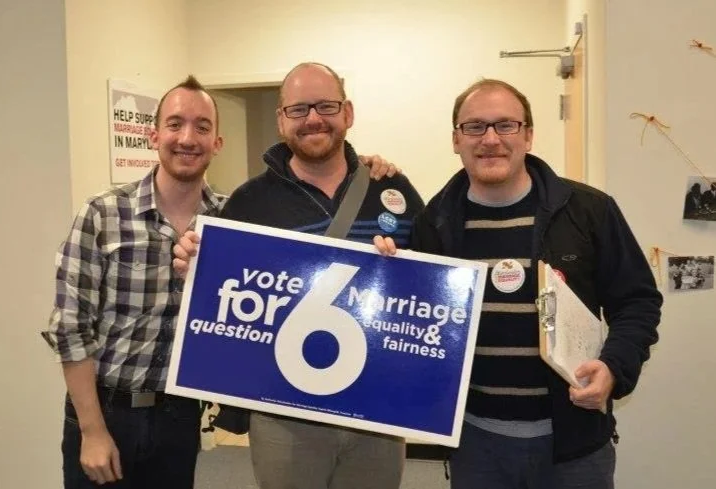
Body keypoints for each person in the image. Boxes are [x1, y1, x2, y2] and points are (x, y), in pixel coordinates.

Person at [42, 74, 397, 489]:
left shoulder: (236, 219)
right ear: (153, 134)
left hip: (179, 416)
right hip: (105, 411)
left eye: (203, 127)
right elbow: (70, 329)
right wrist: (92, 431)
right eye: (175, 124)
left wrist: (365, 170)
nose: (187, 138)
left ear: (217, 143)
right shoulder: (101, 214)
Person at [375, 79, 662, 489]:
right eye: (474, 127)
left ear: (528, 134)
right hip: (476, 444)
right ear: (456, 139)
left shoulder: (588, 211)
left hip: (573, 443)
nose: (490, 139)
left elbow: (637, 302)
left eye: (505, 125)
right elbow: (416, 323)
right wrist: (385, 269)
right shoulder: (433, 224)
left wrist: (614, 368)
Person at [174, 62, 425, 489]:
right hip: (284, 417)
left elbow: (429, 287)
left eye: (326, 106)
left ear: (347, 112)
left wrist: (402, 269)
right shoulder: (249, 203)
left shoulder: (394, 189)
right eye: (298, 109)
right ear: (281, 120)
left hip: (376, 413)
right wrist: (193, 268)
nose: (313, 118)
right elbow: (223, 302)